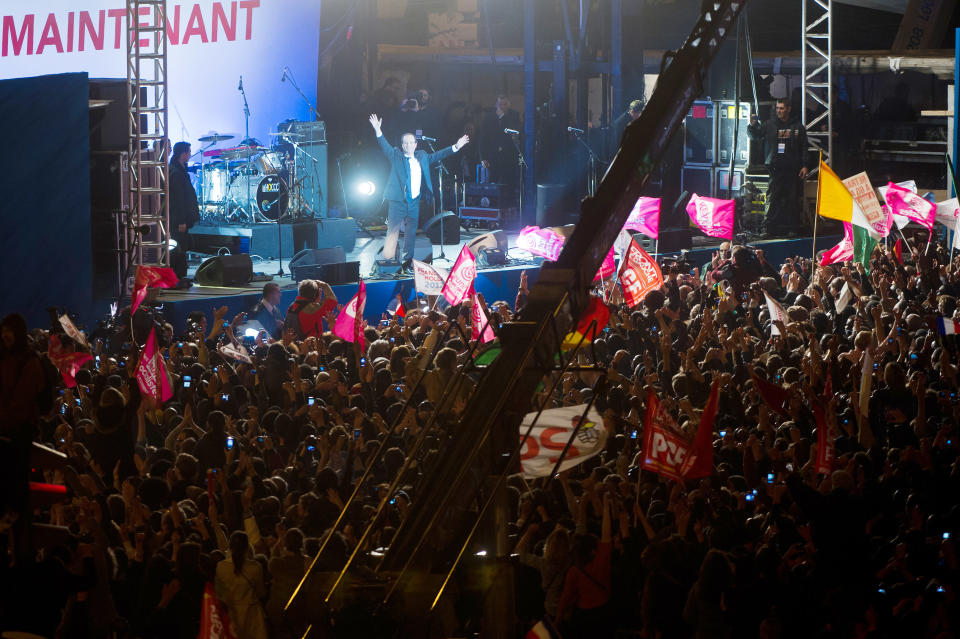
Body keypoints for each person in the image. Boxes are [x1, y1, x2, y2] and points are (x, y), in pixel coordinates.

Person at [368, 113, 470, 266]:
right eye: (405, 143)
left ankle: (407, 262)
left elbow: (439, 155)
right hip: (397, 200)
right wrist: (378, 130)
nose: (408, 145)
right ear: (402, 145)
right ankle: (388, 263)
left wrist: (456, 146)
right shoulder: (396, 155)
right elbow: (385, 146)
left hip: (414, 201)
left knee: (410, 233)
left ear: (416, 144)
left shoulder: (422, 156)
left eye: (411, 143)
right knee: (393, 232)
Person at [748, 98, 808, 237]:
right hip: (775, 168)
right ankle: (768, 229)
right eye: (777, 108)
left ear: (788, 109)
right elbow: (755, 136)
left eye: (782, 108)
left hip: (792, 169)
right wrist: (752, 125)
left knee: (792, 199)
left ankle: (792, 228)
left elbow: (804, 147)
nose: (779, 111)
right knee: (772, 198)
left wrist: (805, 165)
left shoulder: (798, 126)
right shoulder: (769, 124)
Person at [168, 141, 200, 282]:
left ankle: (180, 274)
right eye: (188, 152)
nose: (190, 155)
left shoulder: (180, 170)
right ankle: (177, 276)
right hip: (179, 219)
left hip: (184, 217)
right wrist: (181, 220)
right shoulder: (175, 172)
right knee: (179, 245)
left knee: (183, 245)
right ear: (183, 153)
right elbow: (177, 199)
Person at [479, 95, 522, 185]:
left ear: (509, 105)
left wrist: (502, 116)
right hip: (493, 158)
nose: (502, 107)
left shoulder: (514, 116)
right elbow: (483, 138)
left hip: (509, 158)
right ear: (496, 105)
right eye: (500, 104)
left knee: (509, 185)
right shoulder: (488, 118)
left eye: (505, 104)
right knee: (493, 184)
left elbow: (514, 131)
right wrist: (483, 158)